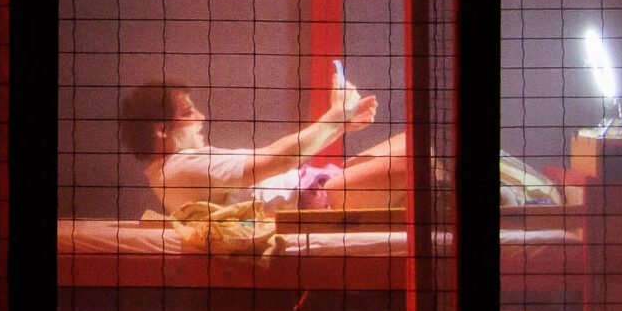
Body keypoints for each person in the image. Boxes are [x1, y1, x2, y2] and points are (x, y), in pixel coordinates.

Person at [118, 72, 409, 215]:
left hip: (312, 183)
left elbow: (279, 160)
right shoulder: (178, 169)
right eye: (187, 112)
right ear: (161, 130)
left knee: (410, 142)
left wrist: (340, 124)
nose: (201, 118)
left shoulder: (175, 170)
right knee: (413, 159)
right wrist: (336, 115)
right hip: (312, 198)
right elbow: (277, 160)